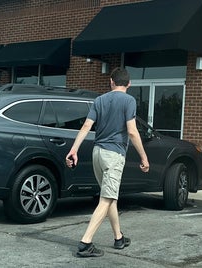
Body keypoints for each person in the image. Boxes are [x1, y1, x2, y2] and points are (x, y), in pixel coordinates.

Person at [65, 67, 150, 258]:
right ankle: (85, 243)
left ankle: (118, 237)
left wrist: (74, 149)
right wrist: (144, 157)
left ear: (111, 81)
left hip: (97, 153)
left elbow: (87, 125)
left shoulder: (99, 100)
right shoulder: (129, 100)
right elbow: (132, 131)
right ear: (129, 84)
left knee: (110, 196)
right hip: (113, 155)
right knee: (107, 198)